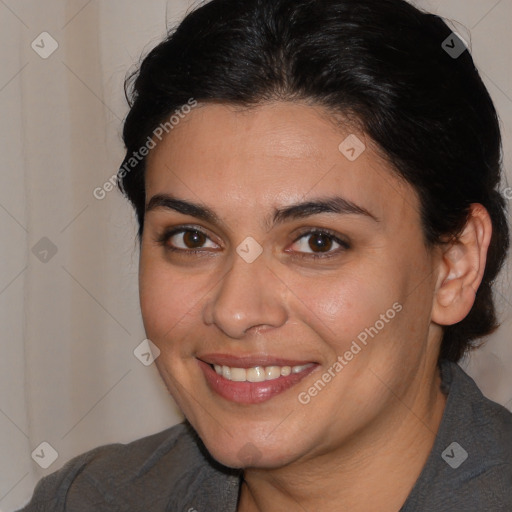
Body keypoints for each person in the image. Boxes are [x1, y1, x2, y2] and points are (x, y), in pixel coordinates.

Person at [19, 0, 512, 510]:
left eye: (317, 242)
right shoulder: (92, 499)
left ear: (454, 267)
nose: (234, 311)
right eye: (192, 238)